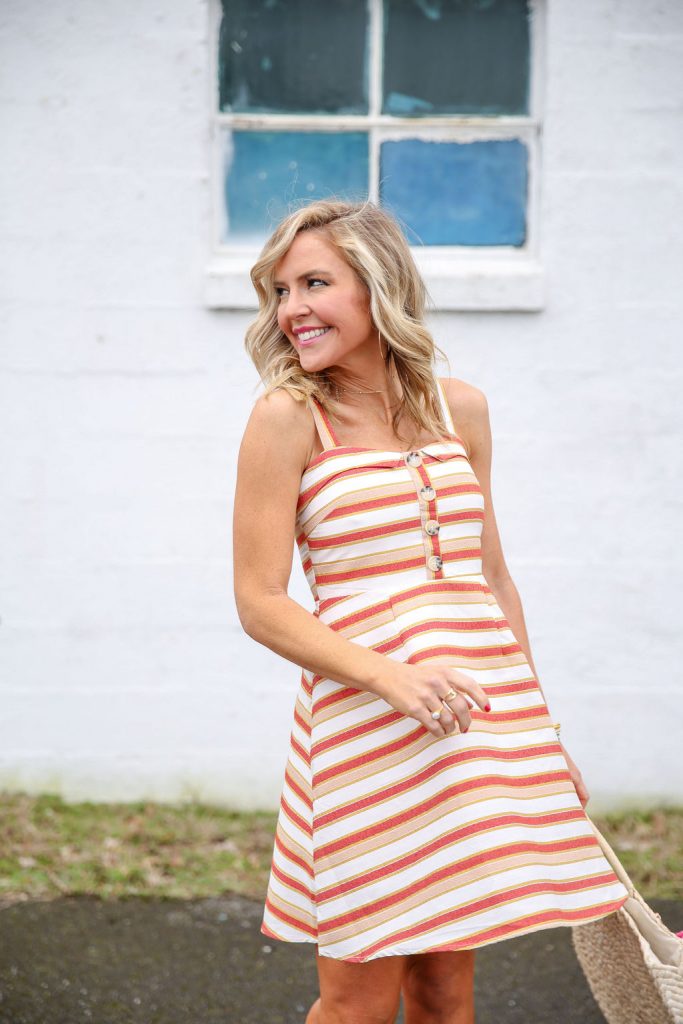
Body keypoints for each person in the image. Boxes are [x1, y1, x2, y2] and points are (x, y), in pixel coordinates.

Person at [232, 199, 629, 1024]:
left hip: (468, 726)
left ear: (379, 287)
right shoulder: (286, 416)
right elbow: (260, 602)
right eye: (279, 290)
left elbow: (492, 580)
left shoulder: (462, 410)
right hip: (364, 727)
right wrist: (390, 678)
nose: (291, 309)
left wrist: (540, 737)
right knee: (357, 1003)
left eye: (314, 282)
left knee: (447, 993)